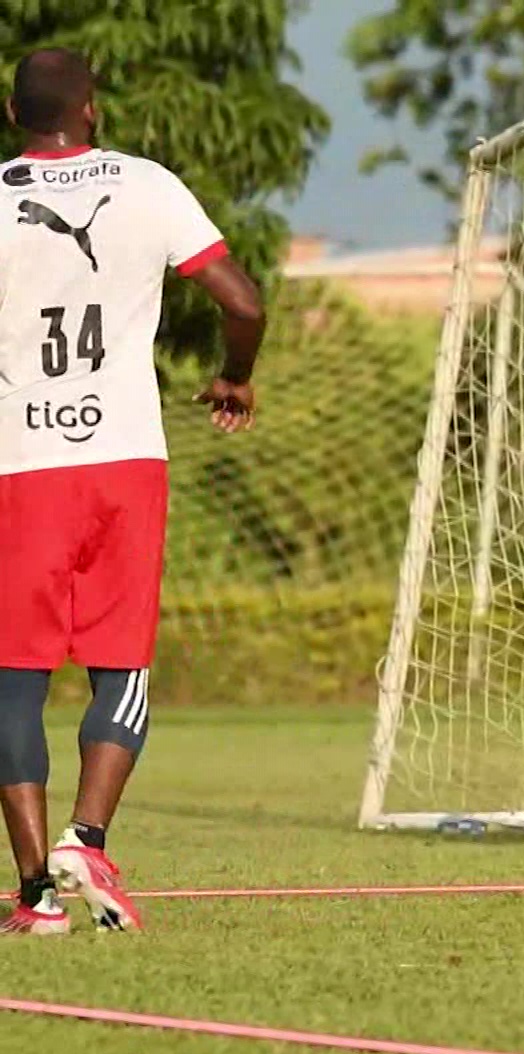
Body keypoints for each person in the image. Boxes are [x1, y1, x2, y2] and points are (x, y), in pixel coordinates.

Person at [0, 50, 266, 934]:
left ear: (13, 113)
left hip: (20, 465)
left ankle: (38, 895)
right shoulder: (148, 184)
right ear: (94, 108)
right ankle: (88, 836)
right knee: (123, 660)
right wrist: (234, 375)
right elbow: (244, 304)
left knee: (12, 682)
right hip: (122, 458)